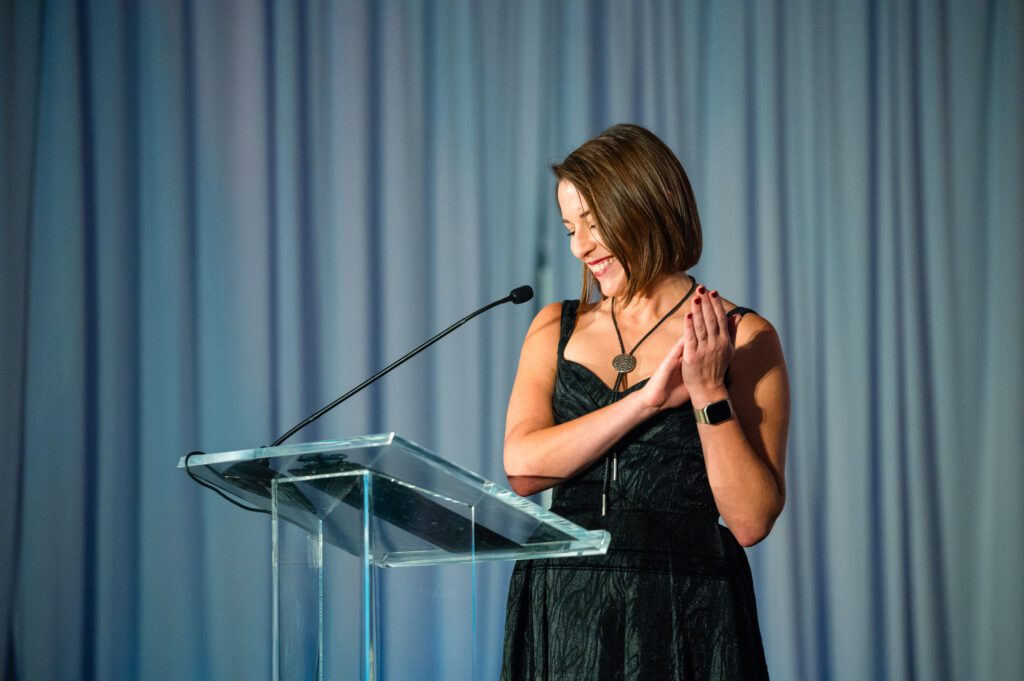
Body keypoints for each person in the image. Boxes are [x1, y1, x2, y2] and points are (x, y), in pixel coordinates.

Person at [500, 124, 790, 680]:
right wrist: (646, 402)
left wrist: (707, 390)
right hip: (565, 603)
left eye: (593, 221)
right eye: (568, 228)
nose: (579, 246)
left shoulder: (745, 337)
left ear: (646, 206)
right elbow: (522, 466)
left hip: (686, 608)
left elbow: (751, 519)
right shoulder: (552, 327)